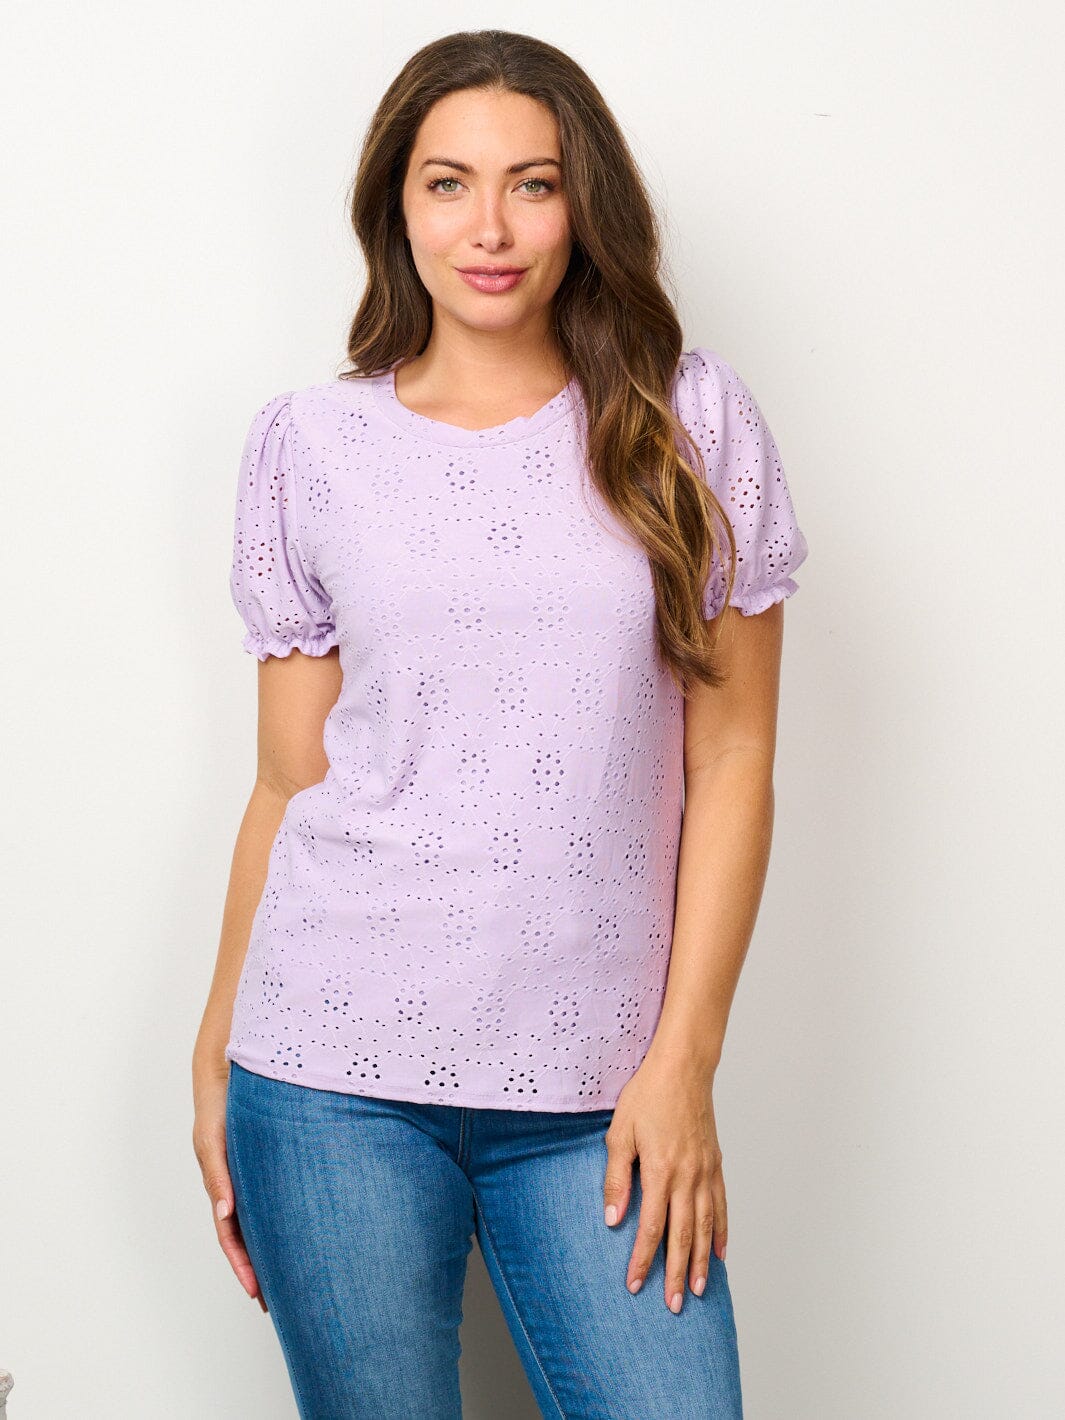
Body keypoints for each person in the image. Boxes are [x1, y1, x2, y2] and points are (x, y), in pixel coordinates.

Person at [192, 27, 808, 1420]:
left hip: (602, 1089)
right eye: (447, 183)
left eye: (532, 184)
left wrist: (685, 1064)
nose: (489, 228)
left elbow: (733, 756)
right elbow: (286, 781)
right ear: (394, 207)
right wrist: (216, 1045)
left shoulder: (686, 423)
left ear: (584, 206)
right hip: (327, 1077)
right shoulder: (309, 444)